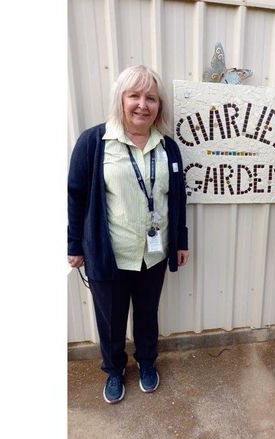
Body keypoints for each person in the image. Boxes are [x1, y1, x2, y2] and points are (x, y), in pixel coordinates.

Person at [68, 65, 189, 404]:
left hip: (154, 252)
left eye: (151, 98)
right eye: (134, 95)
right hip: (109, 255)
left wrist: (181, 240)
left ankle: (148, 363)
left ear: (159, 106)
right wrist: (74, 245)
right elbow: (76, 195)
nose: (142, 104)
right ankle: (114, 369)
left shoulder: (168, 147)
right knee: (110, 320)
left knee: (148, 315)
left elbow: (177, 198)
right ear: (120, 100)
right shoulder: (94, 142)